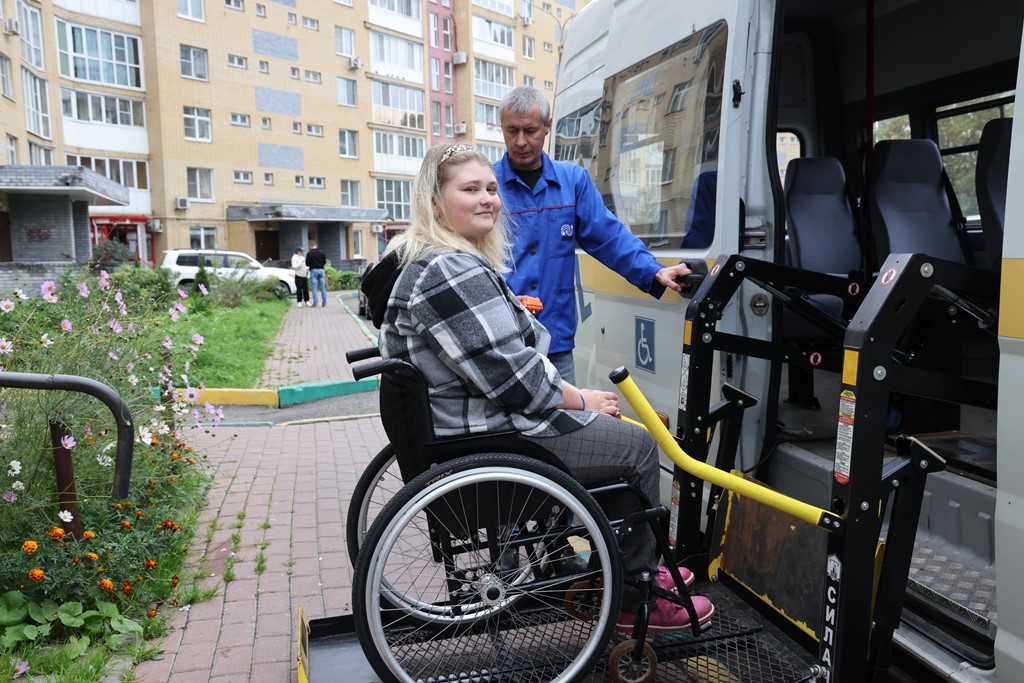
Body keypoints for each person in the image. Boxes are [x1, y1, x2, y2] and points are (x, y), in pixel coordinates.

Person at [367, 141, 714, 634]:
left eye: (491, 188)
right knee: (636, 446)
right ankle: (634, 595)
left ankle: (617, 568)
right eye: (471, 189)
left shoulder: (431, 259)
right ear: (435, 202)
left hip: (467, 423)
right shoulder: (450, 269)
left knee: (610, 438)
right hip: (489, 433)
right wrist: (583, 399)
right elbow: (517, 381)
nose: (488, 198)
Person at [496, 86, 693, 385]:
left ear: (548, 127)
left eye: (530, 131)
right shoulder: (486, 185)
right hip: (501, 340)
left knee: (566, 426)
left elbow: (608, 237)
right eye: (512, 131)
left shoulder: (572, 182)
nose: (521, 141)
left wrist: (654, 270)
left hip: (555, 340)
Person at [305, 241, 328, 307]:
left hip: (314, 270)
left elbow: (307, 264)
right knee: (323, 287)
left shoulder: (309, 253)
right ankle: (324, 302)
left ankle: (315, 302)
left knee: (314, 288)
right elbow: (324, 262)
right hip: (321, 270)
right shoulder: (322, 252)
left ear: (310, 246)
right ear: (316, 246)